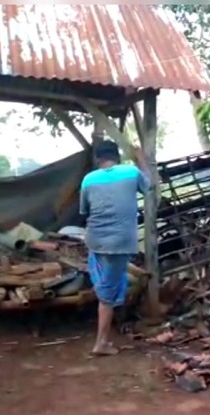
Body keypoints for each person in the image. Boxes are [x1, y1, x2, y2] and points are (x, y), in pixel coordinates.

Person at [79, 140, 150, 356]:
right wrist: (142, 161)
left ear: (98, 158)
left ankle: (105, 296)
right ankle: (101, 343)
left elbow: (85, 210)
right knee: (107, 294)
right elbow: (151, 187)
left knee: (105, 282)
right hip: (119, 242)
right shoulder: (131, 172)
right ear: (117, 156)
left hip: (94, 240)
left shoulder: (88, 179)